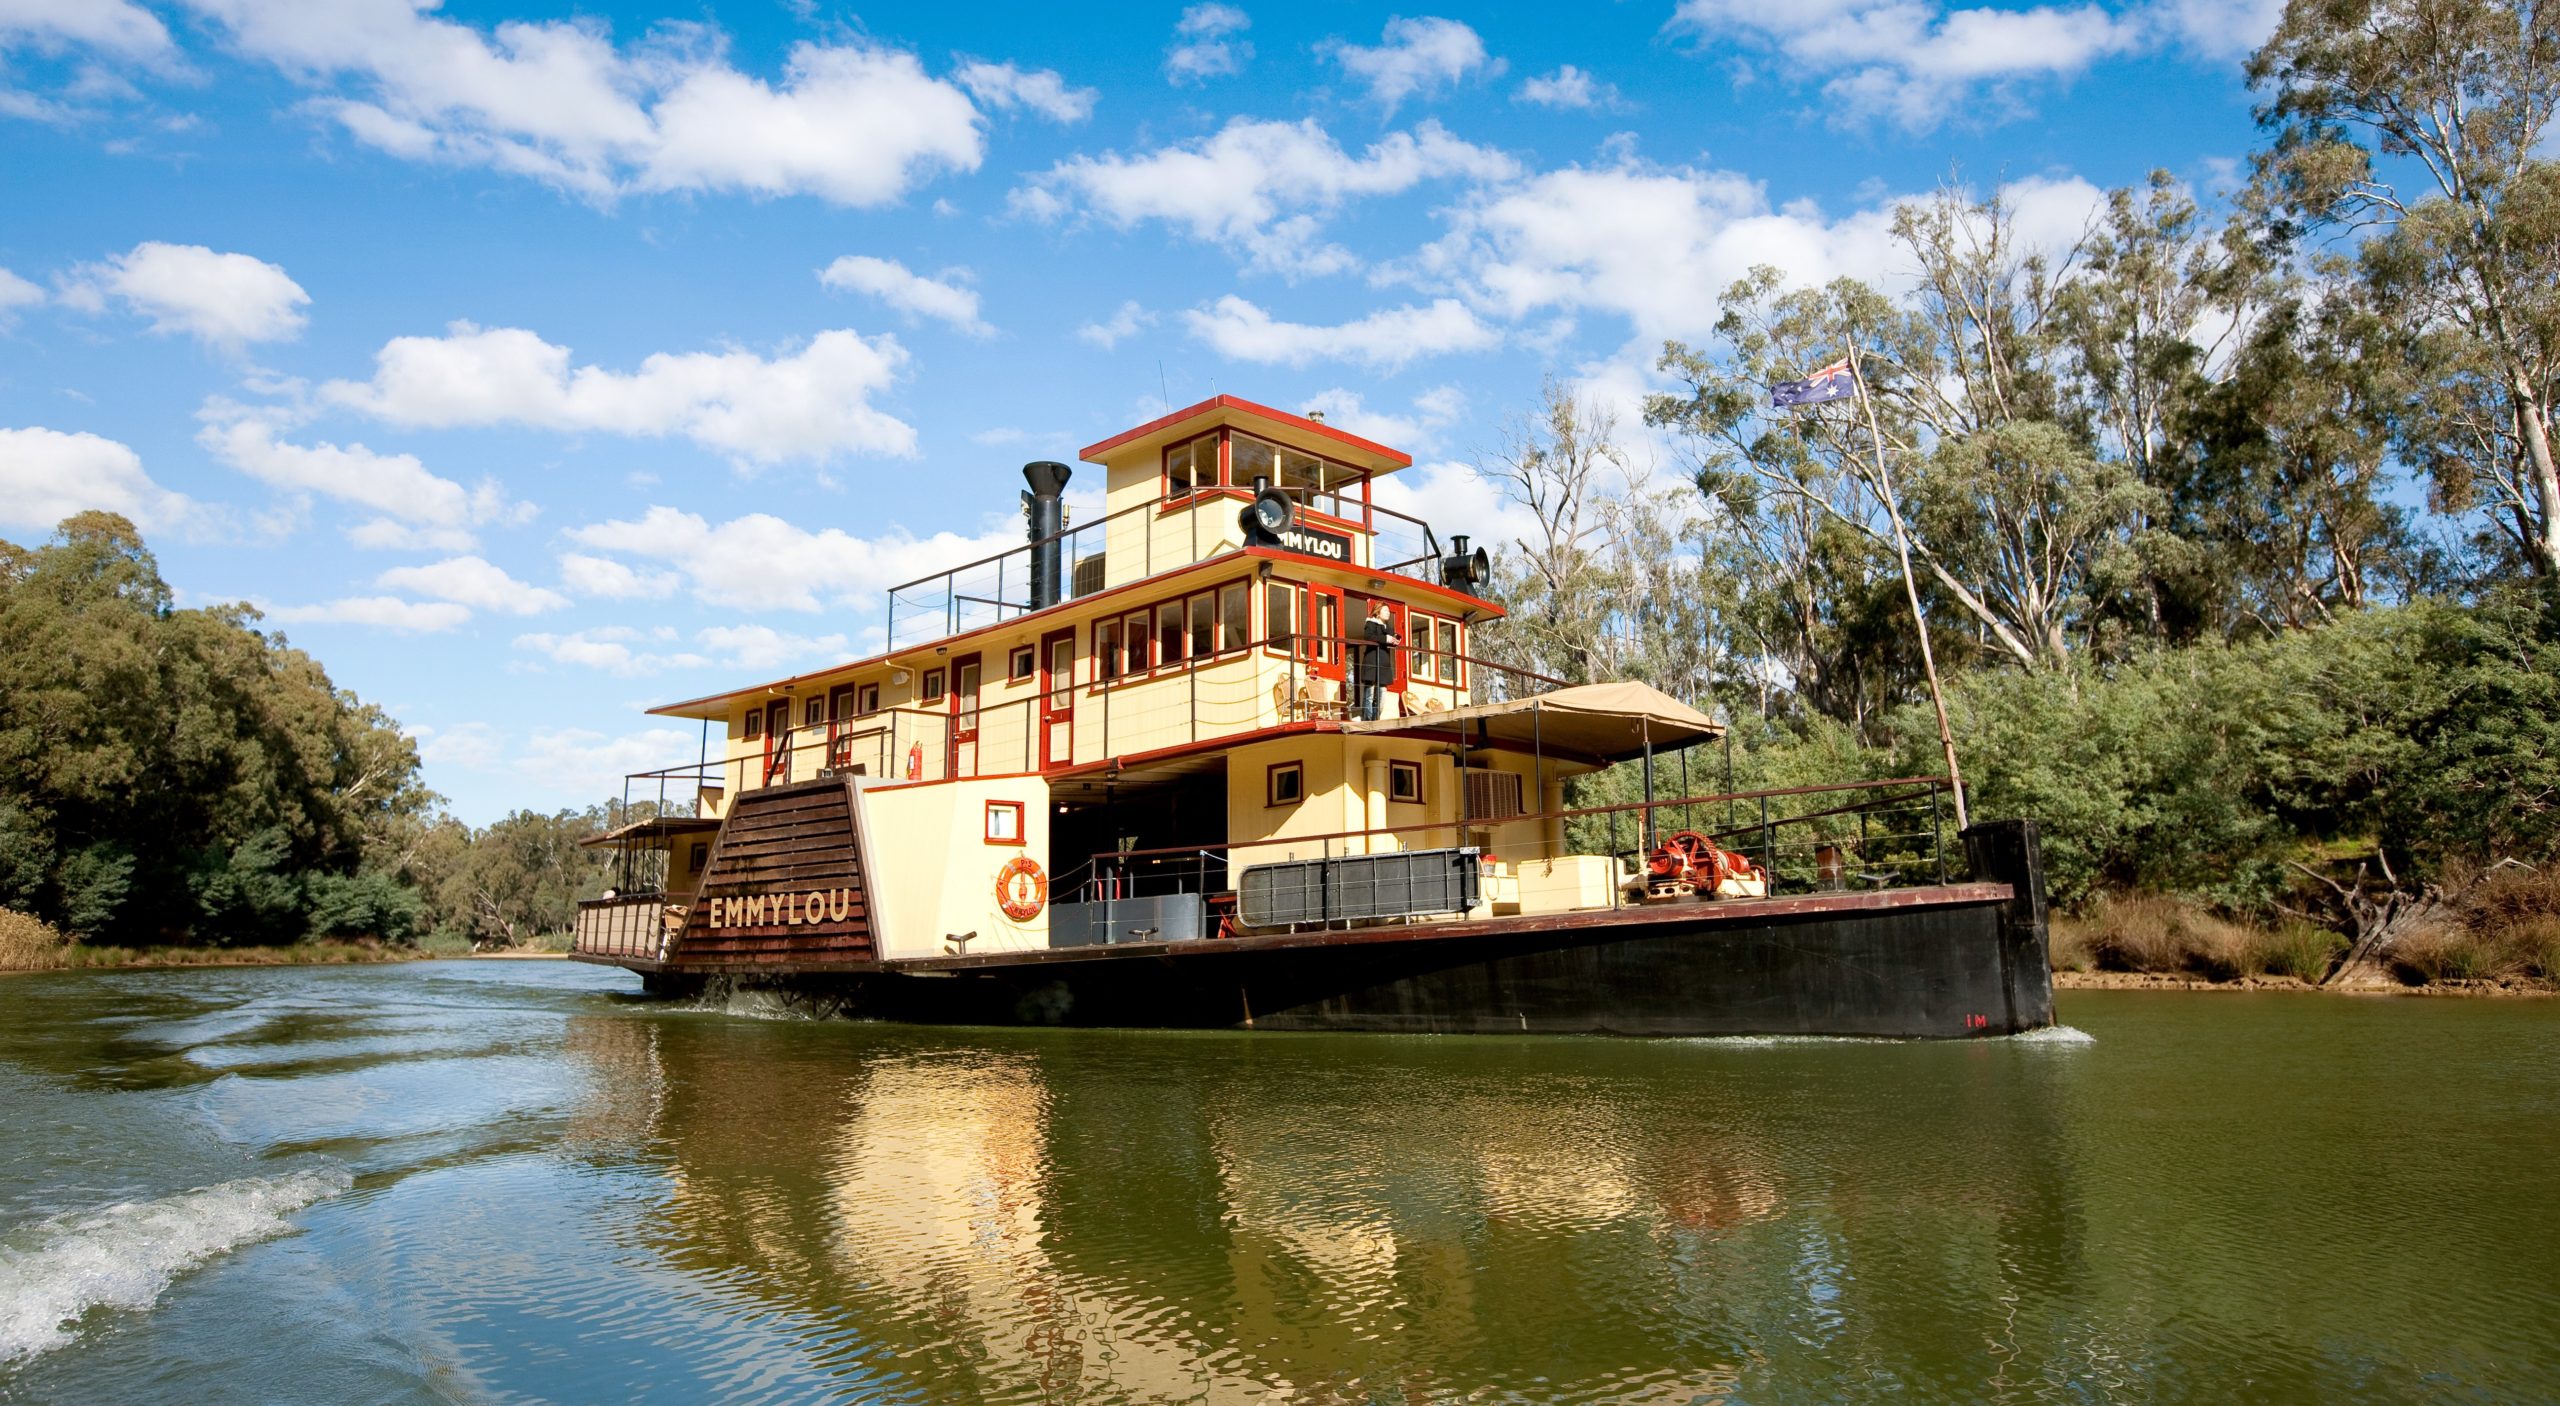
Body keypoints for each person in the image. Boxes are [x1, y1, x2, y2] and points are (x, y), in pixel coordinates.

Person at [1356, 604, 1400, 721]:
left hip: (1383, 663)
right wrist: (1386, 639)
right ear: (1378, 612)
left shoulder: (1388, 627)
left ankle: (1376, 718)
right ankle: (1368, 719)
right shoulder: (1370, 623)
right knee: (1369, 693)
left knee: (1382, 694)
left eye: (1389, 611)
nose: (1388, 613)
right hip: (1372, 661)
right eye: (1385, 610)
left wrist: (1394, 640)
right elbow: (1369, 636)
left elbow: (1388, 638)